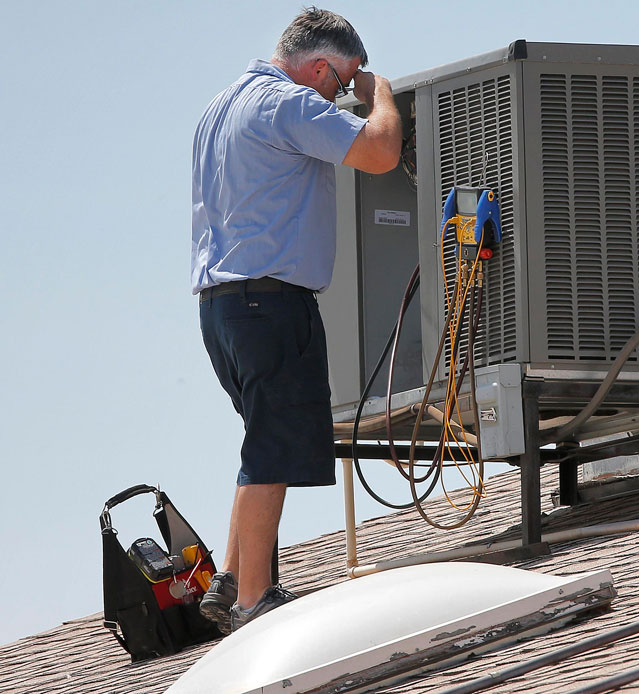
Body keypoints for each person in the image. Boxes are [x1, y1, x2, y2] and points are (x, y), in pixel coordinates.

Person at [191, 7, 401, 633]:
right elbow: (381, 152)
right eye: (342, 81)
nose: (344, 94)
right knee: (275, 446)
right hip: (269, 301)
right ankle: (257, 600)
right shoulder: (289, 103)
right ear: (318, 68)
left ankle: (230, 579)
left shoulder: (221, 106)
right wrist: (380, 94)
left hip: (222, 308)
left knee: (264, 440)